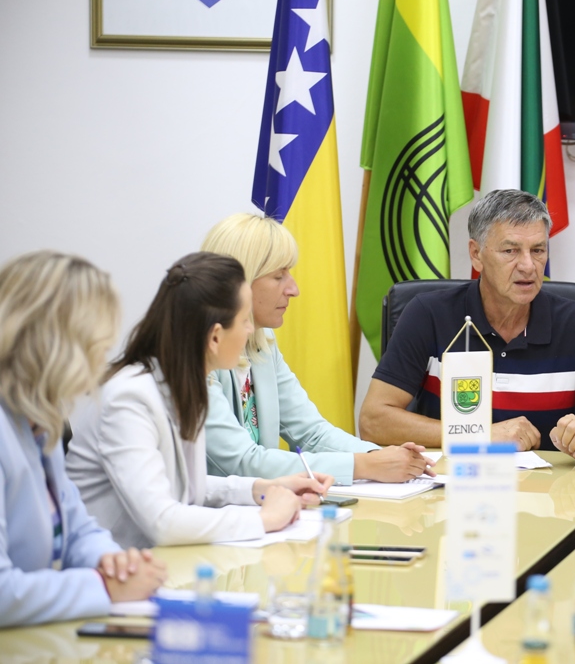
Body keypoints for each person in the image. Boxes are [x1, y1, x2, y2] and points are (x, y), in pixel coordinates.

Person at [67, 253, 330, 549]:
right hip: (110, 567)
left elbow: (186, 488)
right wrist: (265, 519)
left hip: (153, 561)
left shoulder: (185, 384)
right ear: (215, 337)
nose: (250, 330)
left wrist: (263, 489)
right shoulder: (129, 399)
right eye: (245, 320)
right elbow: (163, 522)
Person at [360, 189, 575, 463]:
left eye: (538, 250)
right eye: (510, 251)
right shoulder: (428, 314)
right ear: (476, 254)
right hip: (449, 482)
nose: (528, 266)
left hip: (550, 488)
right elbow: (373, 420)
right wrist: (481, 435)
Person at [200, 213, 431, 484]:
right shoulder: (196, 351)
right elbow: (242, 461)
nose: (294, 289)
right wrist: (363, 465)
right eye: (279, 276)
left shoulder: (263, 342)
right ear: (240, 282)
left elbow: (311, 433)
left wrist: (382, 456)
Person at [0, 251, 165, 627]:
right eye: (97, 347)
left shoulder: (38, 420)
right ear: (56, 347)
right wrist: (105, 588)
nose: (99, 363)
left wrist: (113, 562)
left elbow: (77, 528)